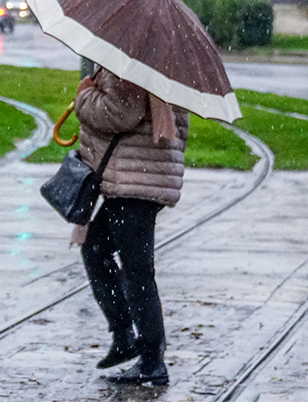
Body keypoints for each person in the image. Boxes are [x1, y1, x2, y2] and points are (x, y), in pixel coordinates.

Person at [73, 67, 189, 386]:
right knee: (96, 249)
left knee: (137, 270)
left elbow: (118, 114)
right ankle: (125, 335)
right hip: (141, 174)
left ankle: (151, 359)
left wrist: (84, 95)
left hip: (134, 179)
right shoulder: (162, 65)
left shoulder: (131, 65)